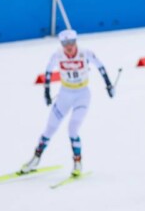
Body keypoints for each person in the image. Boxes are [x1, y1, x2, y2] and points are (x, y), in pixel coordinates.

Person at [19, 29, 115, 176]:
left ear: (76, 41)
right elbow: (49, 71)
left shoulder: (85, 52)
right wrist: (46, 92)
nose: (68, 46)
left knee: (73, 129)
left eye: (71, 42)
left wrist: (108, 85)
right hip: (65, 94)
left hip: (82, 95)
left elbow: (100, 66)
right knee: (50, 128)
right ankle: (35, 159)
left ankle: (77, 162)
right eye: (65, 43)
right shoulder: (57, 55)